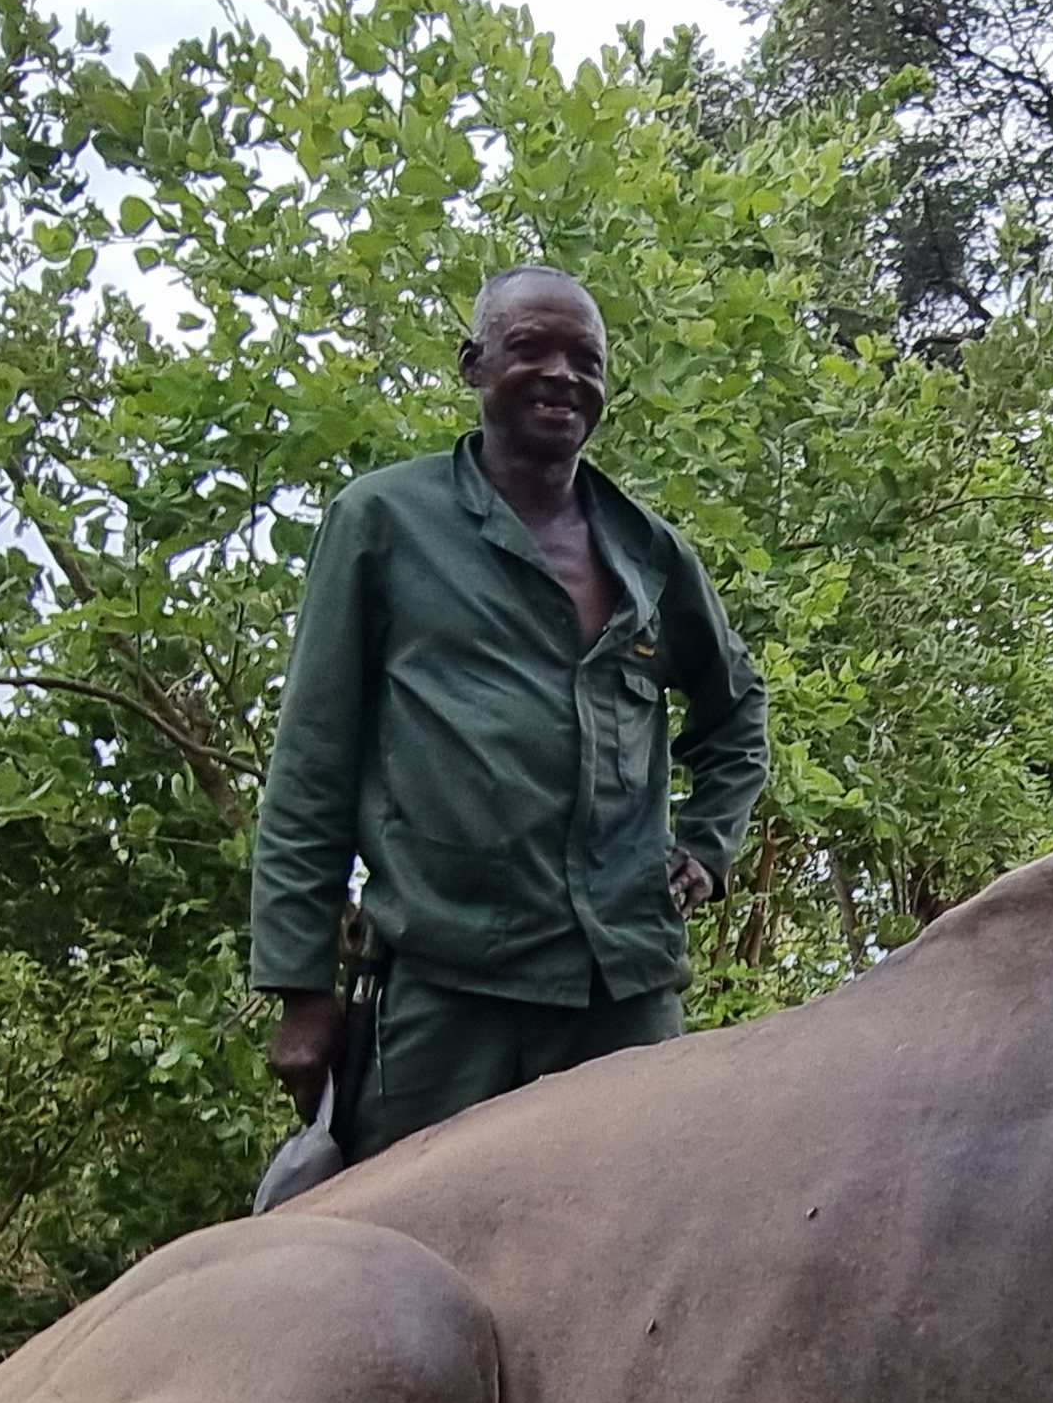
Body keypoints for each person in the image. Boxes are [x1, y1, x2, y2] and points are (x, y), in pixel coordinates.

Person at [251, 266, 769, 1161]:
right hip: (448, 987)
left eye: (587, 359)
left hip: (623, 988)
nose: (563, 376)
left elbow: (737, 711)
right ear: (475, 365)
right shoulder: (382, 522)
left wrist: (707, 848)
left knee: (641, 1252)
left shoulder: (649, 550)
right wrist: (302, 989)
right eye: (531, 348)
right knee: (407, 1258)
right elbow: (311, 761)